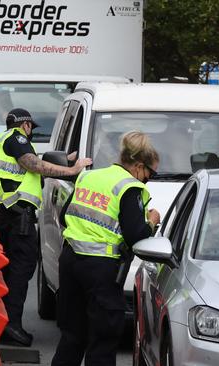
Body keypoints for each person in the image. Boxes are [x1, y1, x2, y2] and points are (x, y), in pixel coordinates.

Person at [0, 108, 91, 347]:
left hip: (3, 215)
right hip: (17, 216)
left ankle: (2, 323)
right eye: (31, 128)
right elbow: (32, 164)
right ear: (25, 125)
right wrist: (72, 170)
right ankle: (11, 325)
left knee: (9, 271)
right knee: (21, 270)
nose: (30, 133)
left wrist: (66, 159)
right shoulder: (18, 138)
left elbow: (26, 165)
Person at [51, 131, 161, 366]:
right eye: (151, 174)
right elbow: (136, 236)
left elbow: (64, 217)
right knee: (102, 341)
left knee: (72, 336)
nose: (148, 179)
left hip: (70, 262)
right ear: (139, 167)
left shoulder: (88, 177)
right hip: (101, 270)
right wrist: (152, 221)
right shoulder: (129, 188)